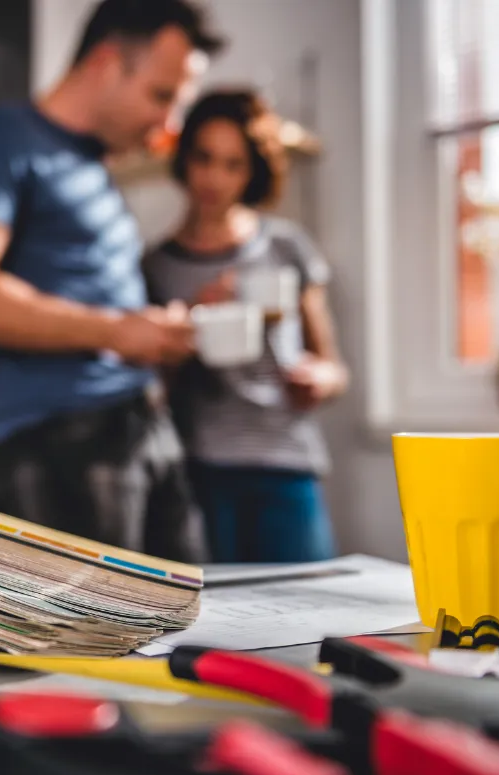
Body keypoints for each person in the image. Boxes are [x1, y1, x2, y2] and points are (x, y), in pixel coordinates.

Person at [0, 0, 225, 560]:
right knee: (105, 644)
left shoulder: (91, 168)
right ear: (106, 63)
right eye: (161, 96)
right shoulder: (3, 137)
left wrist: (154, 333)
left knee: (188, 625)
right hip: (63, 437)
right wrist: (115, 331)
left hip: (141, 423)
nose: (168, 126)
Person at [142, 91, 349, 563]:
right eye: (204, 158)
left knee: (308, 621)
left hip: (287, 463)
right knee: (218, 626)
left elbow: (334, 367)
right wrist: (192, 315)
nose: (215, 178)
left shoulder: (287, 247)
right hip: (203, 470)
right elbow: (153, 388)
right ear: (184, 159)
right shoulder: (157, 265)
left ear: (252, 171)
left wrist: (320, 379)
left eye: (233, 164)